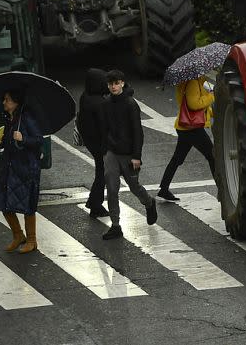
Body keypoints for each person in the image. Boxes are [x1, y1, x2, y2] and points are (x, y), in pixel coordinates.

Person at [102, 69, 157, 240]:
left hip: (128, 154)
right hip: (111, 152)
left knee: (134, 186)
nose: (113, 87)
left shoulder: (130, 104)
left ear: (122, 83)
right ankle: (116, 225)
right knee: (111, 189)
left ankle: (149, 202)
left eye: (116, 83)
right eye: (111, 84)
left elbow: (137, 132)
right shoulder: (107, 102)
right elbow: (104, 126)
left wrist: (136, 156)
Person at [0, 89, 44, 253]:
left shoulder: (26, 118)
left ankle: (32, 240)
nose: (4, 102)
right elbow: (6, 144)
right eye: (4, 99)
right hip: (9, 167)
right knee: (3, 201)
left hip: (26, 167)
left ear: (16, 102)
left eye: (7, 99)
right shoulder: (8, 119)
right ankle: (18, 235)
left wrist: (24, 139)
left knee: (27, 204)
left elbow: (38, 140)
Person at [158, 76, 215, 201]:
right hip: (192, 129)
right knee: (212, 156)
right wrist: (211, 96)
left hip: (185, 127)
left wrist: (211, 112)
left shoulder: (193, 82)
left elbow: (198, 106)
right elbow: (194, 104)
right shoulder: (193, 83)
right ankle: (223, 189)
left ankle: (163, 189)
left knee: (177, 159)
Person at [77, 68, 109, 217]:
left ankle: (94, 202)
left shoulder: (85, 97)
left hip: (90, 141)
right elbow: (104, 126)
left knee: (100, 171)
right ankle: (95, 203)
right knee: (102, 173)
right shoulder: (100, 102)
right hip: (100, 143)